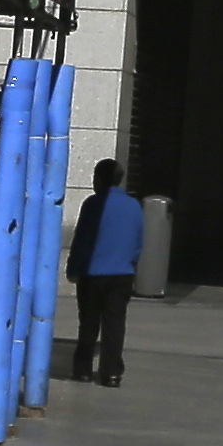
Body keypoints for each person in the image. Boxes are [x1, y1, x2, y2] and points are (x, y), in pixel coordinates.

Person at [66, 155, 152, 386]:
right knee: (114, 324)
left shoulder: (93, 204)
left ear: (101, 179)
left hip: (93, 273)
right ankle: (111, 372)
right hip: (122, 273)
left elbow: (82, 239)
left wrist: (73, 267)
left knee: (89, 323)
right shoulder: (133, 206)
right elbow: (137, 242)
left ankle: (82, 369)